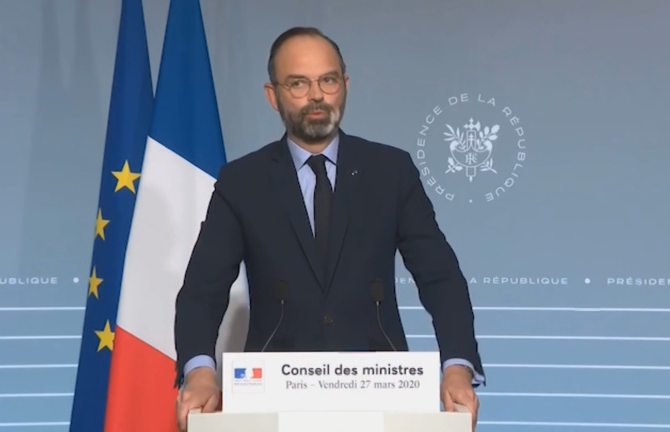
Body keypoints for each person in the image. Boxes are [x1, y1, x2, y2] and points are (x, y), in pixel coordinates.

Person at [174, 26, 485, 431]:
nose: (316, 95)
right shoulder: (242, 181)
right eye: (298, 83)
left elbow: (440, 276)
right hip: (270, 399)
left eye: (328, 80)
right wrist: (200, 370)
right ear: (273, 95)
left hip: (381, 392)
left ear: (345, 86)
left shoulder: (391, 171)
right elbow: (203, 289)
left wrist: (457, 365)